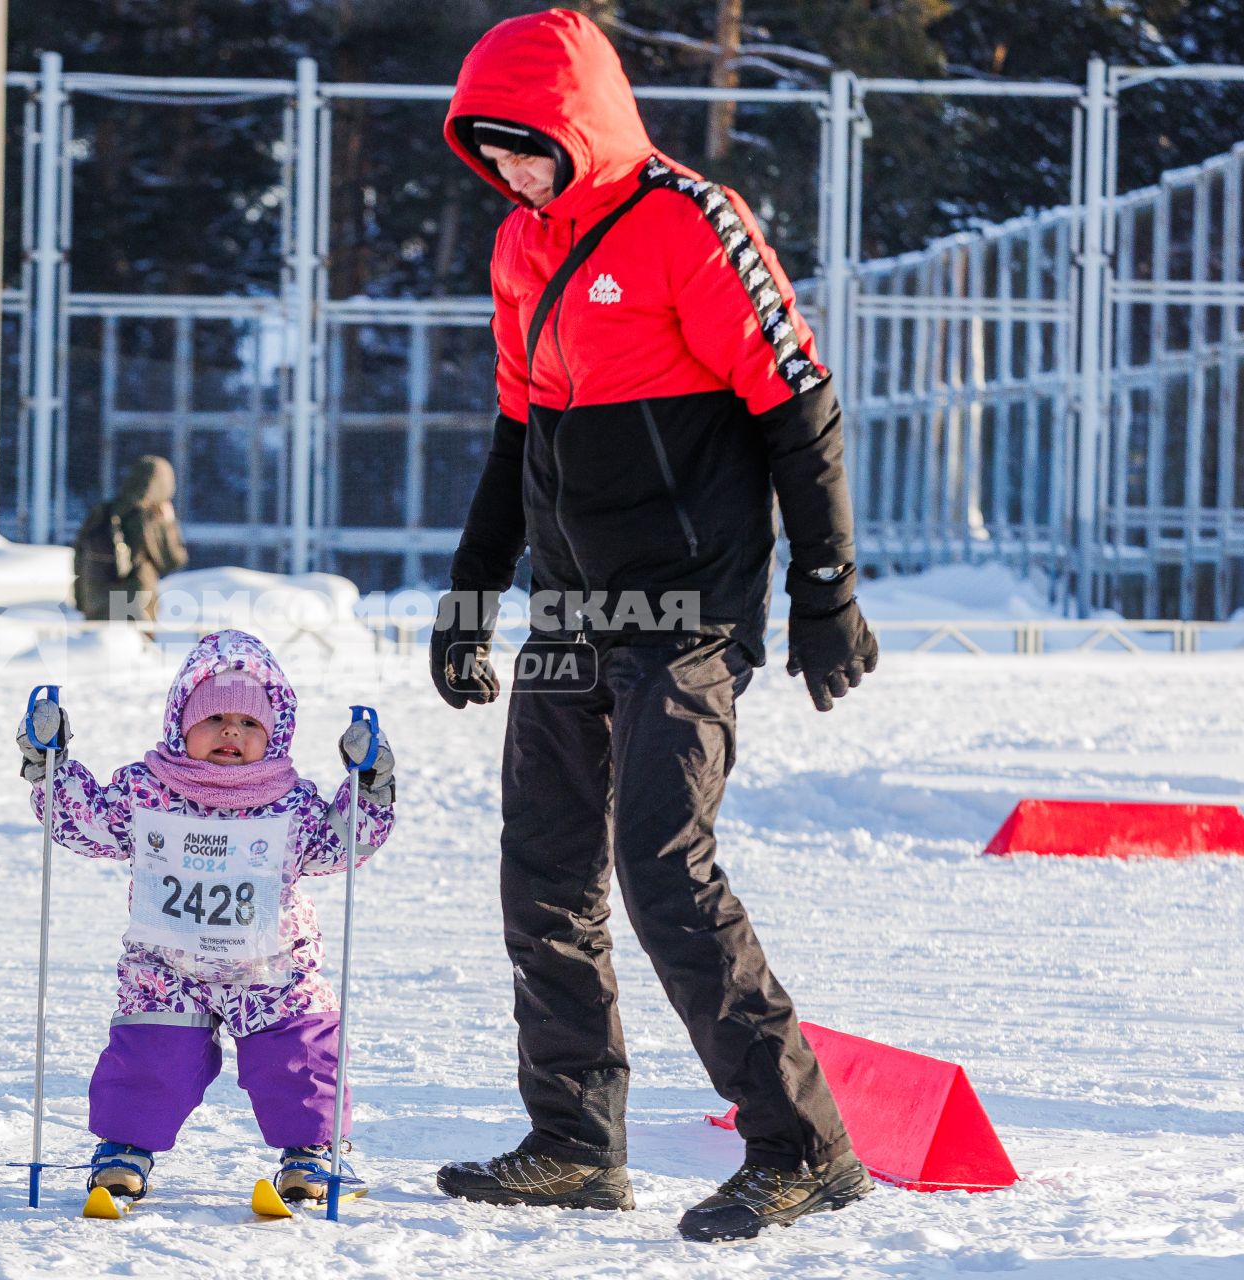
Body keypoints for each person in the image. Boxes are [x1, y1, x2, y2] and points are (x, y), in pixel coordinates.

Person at [428, 10, 881, 1242]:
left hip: (685, 608)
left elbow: (800, 405)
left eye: (530, 148)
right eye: (493, 153)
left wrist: (826, 587)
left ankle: (802, 1143)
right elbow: (520, 437)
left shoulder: (690, 220)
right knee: (542, 868)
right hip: (576, 603)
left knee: (662, 869)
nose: (514, 174)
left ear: (581, 125)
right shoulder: (522, 247)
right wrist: (472, 596)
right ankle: (575, 1138)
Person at [17, 628, 396, 1204]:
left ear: (272, 734)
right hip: (168, 964)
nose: (230, 733)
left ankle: (310, 1153)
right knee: (150, 1059)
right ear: (180, 725)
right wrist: (48, 765)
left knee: (298, 1057)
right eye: (214, 720)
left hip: (271, 963)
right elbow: (86, 822)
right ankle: (124, 1148)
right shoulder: (147, 791)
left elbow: (341, 844)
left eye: (248, 724)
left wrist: (369, 788)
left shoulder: (289, 799)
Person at [73, 454, 189, 622]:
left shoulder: (103, 511)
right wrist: (168, 524)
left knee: (99, 646)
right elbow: (172, 560)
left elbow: (78, 555)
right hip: (133, 607)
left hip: (95, 603)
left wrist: (81, 600)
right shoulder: (148, 516)